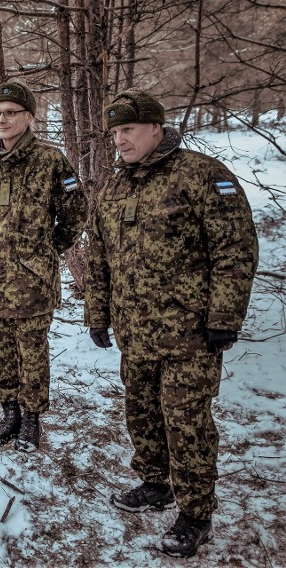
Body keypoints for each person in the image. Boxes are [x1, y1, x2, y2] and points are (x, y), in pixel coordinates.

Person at [85, 89, 258, 558]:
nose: (119, 140)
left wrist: (224, 316)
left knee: (187, 422)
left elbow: (235, 249)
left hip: (190, 336)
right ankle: (155, 483)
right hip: (135, 333)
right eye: (115, 132)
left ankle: (196, 511)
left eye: (128, 130)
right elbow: (98, 256)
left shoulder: (202, 176)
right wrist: (97, 312)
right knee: (141, 413)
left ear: (156, 128)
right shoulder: (117, 185)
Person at [0, 81, 86, 453]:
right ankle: (9, 414)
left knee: (32, 351)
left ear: (29, 117)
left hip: (32, 281)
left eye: (11, 113)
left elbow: (75, 211)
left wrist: (48, 248)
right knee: (0, 349)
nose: (2, 119)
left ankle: (32, 418)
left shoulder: (50, 161)